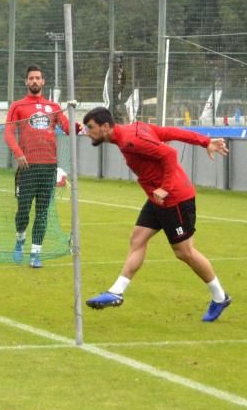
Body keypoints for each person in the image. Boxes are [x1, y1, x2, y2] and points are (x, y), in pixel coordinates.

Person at [81, 106, 232, 322]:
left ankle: (220, 297)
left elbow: (170, 153)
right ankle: (116, 292)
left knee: (185, 252)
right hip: (157, 199)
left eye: (91, 128)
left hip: (175, 198)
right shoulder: (133, 130)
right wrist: (204, 141)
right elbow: (171, 132)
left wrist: (166, 187)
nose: (88, 133)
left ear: (105, 127)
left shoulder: (130, 140)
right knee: (137, 239)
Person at [3, 65, 70, 268]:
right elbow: (8, 132)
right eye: (31, 78)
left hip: (48, 167)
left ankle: (35, 254)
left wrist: (79, 121)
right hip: (27, 168)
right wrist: (18, 153)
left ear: (43, 82)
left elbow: (68, 128)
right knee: (23, 210)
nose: (34, 81)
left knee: (42, 212)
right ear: (26, 82)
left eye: (38, 78)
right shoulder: (18, 106)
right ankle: (20, 240)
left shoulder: (53, 107)